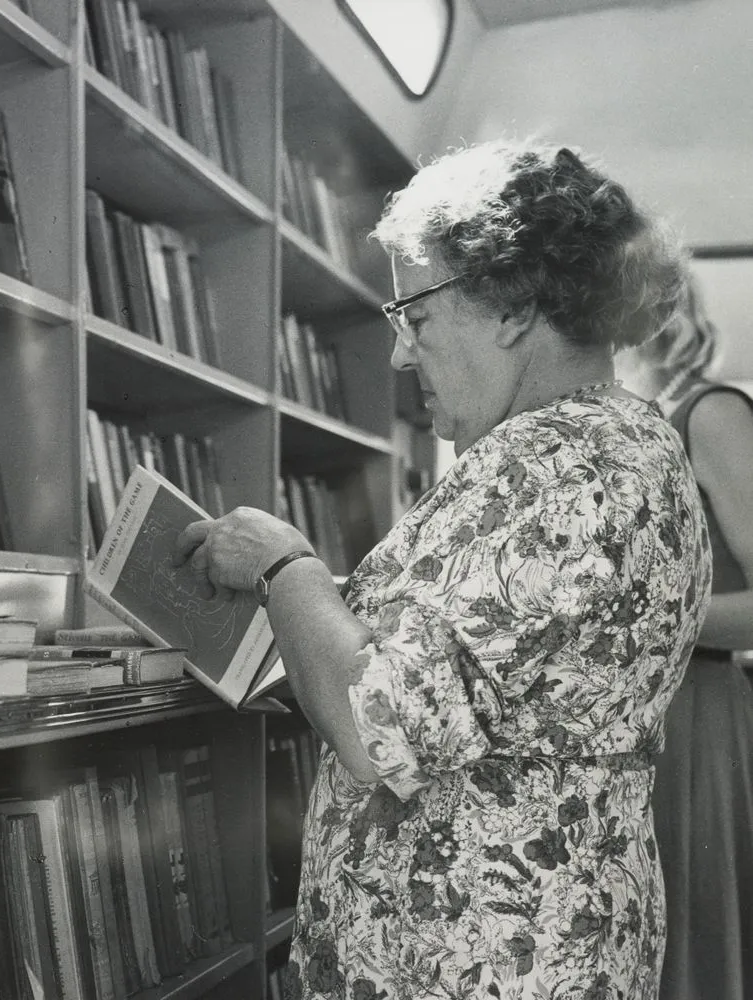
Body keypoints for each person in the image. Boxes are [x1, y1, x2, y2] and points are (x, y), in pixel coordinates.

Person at [173, 140, 712, 999]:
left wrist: (285, 563)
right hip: (537, 938)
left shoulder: (550, 463)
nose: (397, 356)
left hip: (480, 957)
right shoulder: (624, 443)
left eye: (414, 317)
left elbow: (374, 730)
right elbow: (468, 681)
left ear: (509, 304)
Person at [614, 278, 753, 1000]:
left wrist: (634, 622)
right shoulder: (623, 424)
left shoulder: (712, 411)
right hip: (628, 717)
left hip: (695, 714)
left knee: (689, 945)